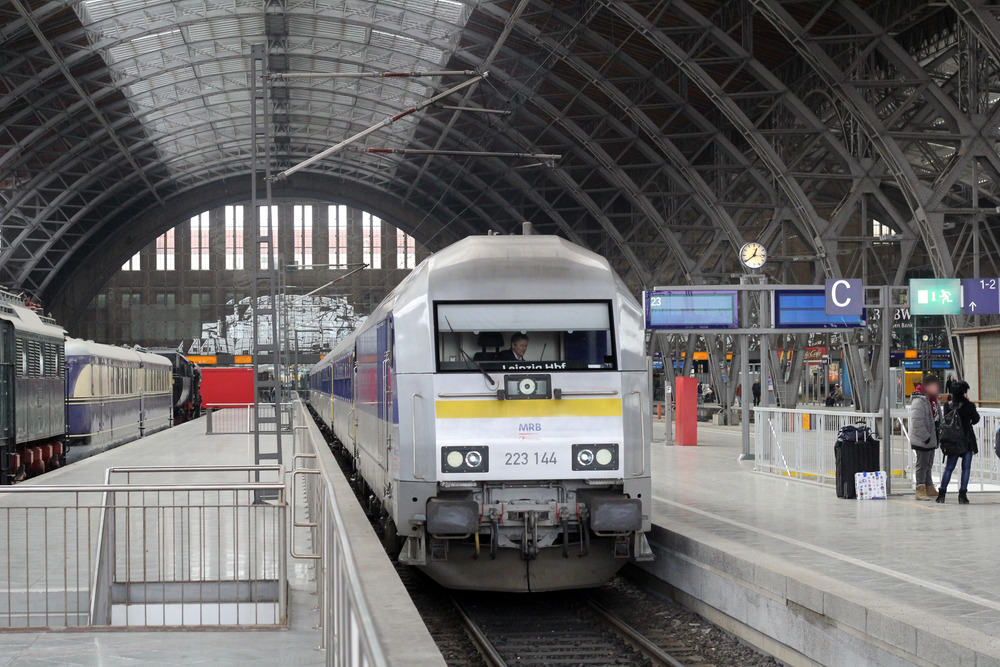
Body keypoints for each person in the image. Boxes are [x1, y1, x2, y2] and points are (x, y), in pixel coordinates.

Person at [937, 380, 979, 504]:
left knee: (949, 467)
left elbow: (947, 421)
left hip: (952, 440)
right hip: (967, 440)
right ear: (964, 392)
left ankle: (942, 494)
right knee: (966, 468)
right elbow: (976, 419)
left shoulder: (947, 405)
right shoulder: (969, 406)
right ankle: (962, 495)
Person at [908, 373, 941, 501]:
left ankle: (929, 486)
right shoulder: (919, 400)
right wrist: (926, 437)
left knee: (929, 463)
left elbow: (937, 416)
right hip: (922, 439)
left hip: (932, 437)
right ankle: (920, 489)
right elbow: (917, 421)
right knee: (922, 464)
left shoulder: (932, 399)